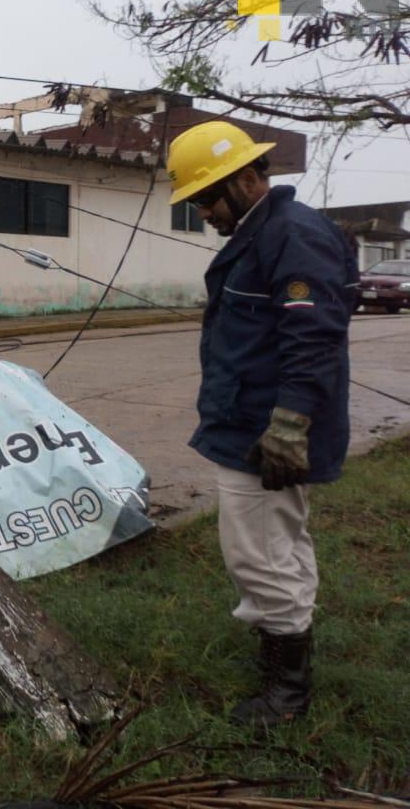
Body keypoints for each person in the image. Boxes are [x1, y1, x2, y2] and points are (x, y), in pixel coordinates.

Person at [166, 120, 357, 729]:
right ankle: (286, 654)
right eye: (196, 202)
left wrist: (290, 425)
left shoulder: (293, 236)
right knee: (281, 547)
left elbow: (314, 339)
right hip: (249, 423)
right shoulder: (265, 233)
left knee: (260, 556)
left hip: (267, 433)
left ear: (246, 179)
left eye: (207, 198)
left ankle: (286, 694)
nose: (203, 213)